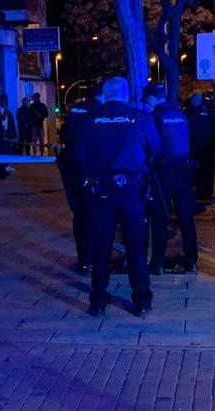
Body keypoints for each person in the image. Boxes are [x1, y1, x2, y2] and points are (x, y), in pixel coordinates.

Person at [76, 77, 161, 317]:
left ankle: (98, 301)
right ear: (126, 94)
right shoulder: (141, 119)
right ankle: (142, 300)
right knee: (136, 247)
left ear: (105, 94)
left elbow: (80, 156)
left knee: (101, 247)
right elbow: (155, 149)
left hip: (101, 192)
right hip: (133, 192)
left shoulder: (89, 120)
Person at [144, 84, 198, 275]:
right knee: (186, 218)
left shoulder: (154, 118)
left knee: (159, 218)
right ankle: (192, 260)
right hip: (183, 172)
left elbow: (150, 146)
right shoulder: (180, 115)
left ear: (151, 98)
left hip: (163, 174)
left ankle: (157, 262)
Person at [57, 86, 103, 274]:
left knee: (80, 215)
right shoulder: (101, 112)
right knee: (95, 214)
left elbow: (66, 135)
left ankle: (84, 259)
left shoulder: (75, 110)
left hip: (72, 169)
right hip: (93, 170)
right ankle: (96, 258)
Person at [187, 93, 215, 203]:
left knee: (199, 171)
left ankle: (201, 193)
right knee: (207, 171)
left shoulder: (192, 114)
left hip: (197, 147)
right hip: (207, 146)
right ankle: (206, 193)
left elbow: (191, 132)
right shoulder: (208, 112)